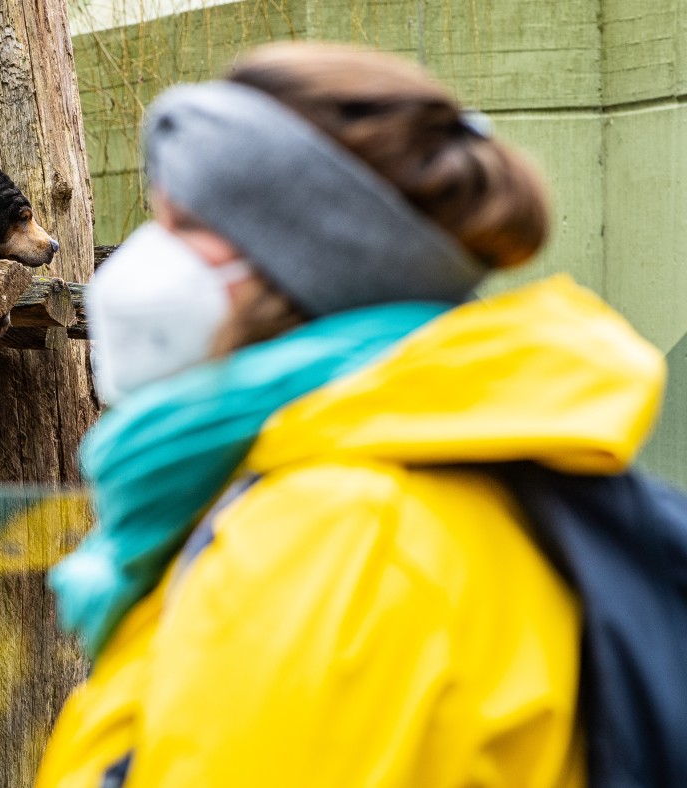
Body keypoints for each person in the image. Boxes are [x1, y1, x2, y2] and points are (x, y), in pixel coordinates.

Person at [37, 42, 666, 787]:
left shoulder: (339, 534)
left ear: (298, 260)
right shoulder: (404, 478)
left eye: (182, 224)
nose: (143, 261)